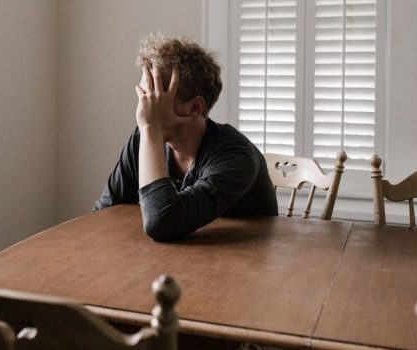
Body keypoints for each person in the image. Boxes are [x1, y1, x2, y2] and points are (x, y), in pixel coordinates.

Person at [93, 32, 278, 242]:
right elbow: (102, 213)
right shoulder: (144, 138)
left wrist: (151, 129)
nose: (144, 107)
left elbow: (161, 222)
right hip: (172, 260)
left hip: (243, 265)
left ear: (195, 107)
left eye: (155, 97)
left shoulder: (236, 157)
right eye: (144, 95)